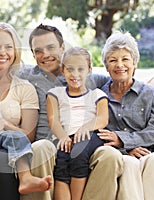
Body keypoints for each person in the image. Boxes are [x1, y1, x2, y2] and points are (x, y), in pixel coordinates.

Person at [18, 24, 123, 200]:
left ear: (62, 47)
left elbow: (123, 80)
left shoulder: (85, 74)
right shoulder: (26, 76)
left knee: (109, 155)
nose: (45, 55)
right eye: (38, 50)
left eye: (51, 47)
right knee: (43, 148)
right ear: (33, 53)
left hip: (84, 141)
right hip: (48, 143)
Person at [0, 22, 53, 200]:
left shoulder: (24, 88)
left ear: (15, 51)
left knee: (3, 158)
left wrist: (3, 124)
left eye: (8, 47)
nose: (2, 52)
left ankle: (24, 179)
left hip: (7, 152)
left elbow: (28, 136)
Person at [98, 30, 154, 200]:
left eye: (125, 59)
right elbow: (98, 133)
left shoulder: (151, 94)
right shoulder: (98, 96)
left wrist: (124, 139)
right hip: (120, 154)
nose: (119, 65)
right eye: (113, 60)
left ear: (134, 63)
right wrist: (125, 148)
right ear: (106, 66)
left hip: (151, 151)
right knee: (128, 163)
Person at [46, 47, 109, 200]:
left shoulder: (97, 94)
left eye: (81, 69)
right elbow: (53, 120)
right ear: (63, 70)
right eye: (70, 69)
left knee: (79, 151)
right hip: (65, 136)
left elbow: (102, 119)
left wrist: (85, 127)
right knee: (62, 159)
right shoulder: (55, 93)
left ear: (89, 70)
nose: (75, 74)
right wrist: (62, 137)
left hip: (90, 135)